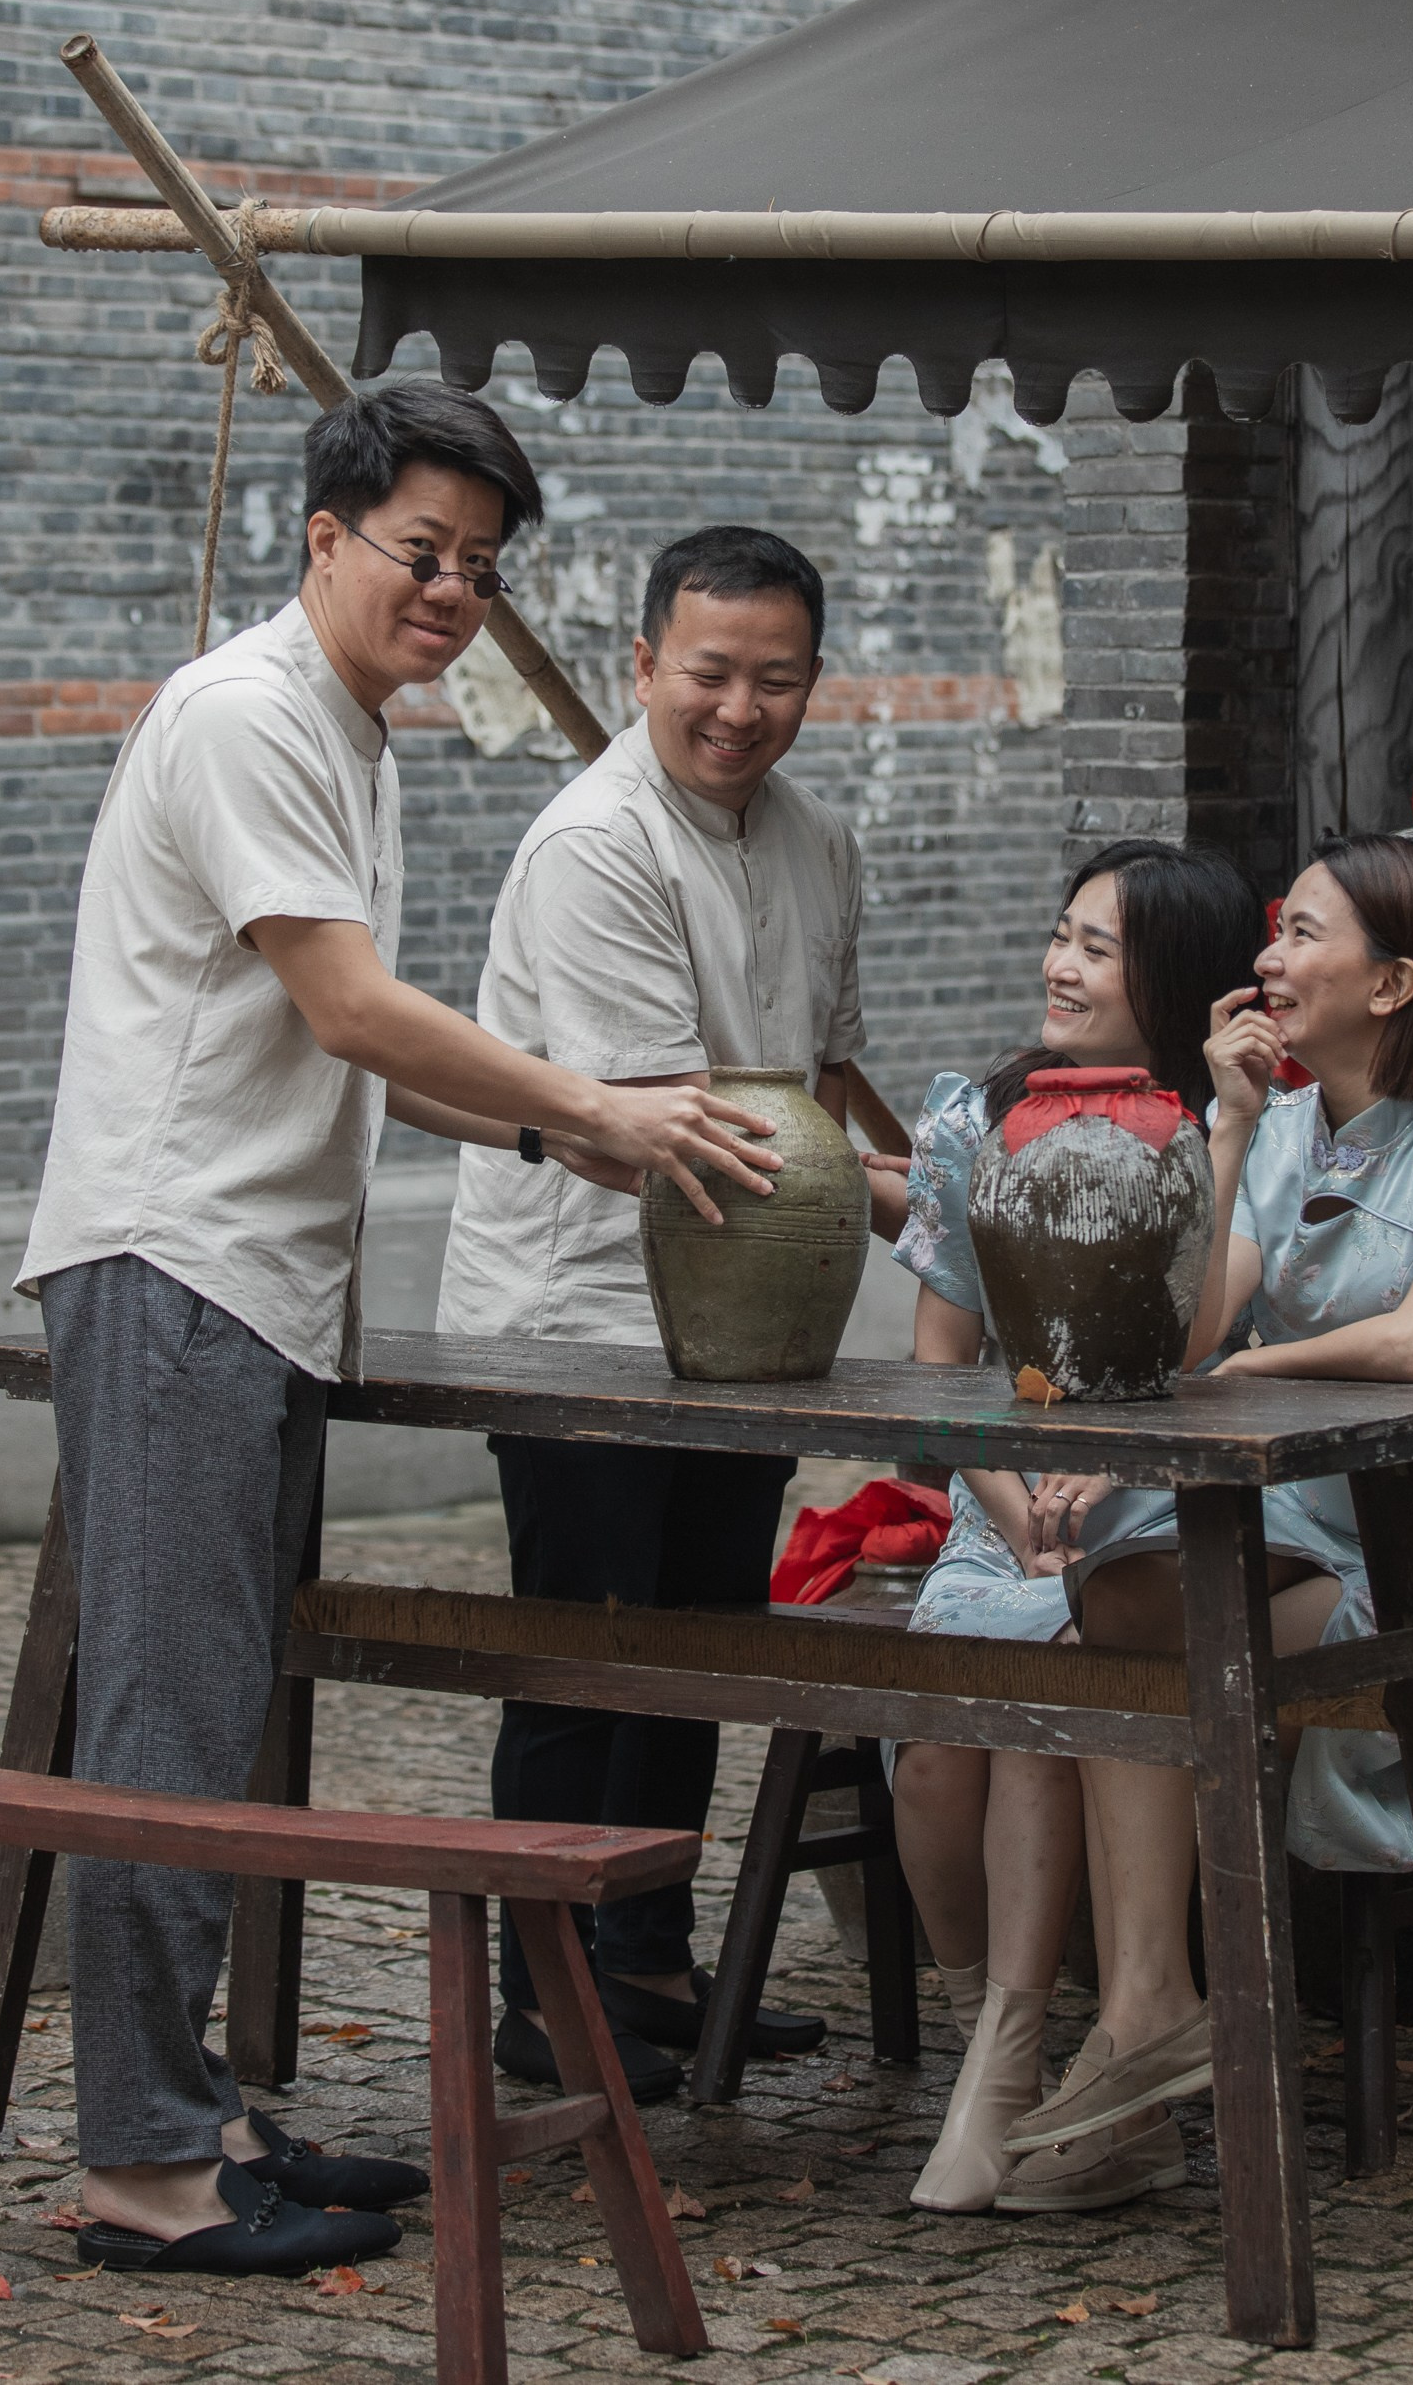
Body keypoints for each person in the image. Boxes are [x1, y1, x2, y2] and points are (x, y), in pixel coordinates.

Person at [14, 385, 781, 2280]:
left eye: (482, 568)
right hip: (175, 1267)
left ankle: (197, 2118)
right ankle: (144, 2168)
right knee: (167, 1725)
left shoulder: (345, 730)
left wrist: (548, 1129)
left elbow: (347, 1041)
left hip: (255, 1286)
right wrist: (597, 1106)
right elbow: (355, 1008)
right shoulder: (248, 715)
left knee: (213, 1712)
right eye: (421, 551)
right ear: (323, 535)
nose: (449, 591)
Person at [992, 832, 1413, 2187]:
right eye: (1277, 930)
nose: (1268, 959)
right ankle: (1152, 2008)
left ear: (1392, 983)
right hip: (1318, 1527)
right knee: (1120, 1604)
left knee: (1169, 1657)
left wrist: (1247, 1376)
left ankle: (1145, 2045)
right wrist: (1229, 1124)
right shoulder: (1288, 1127)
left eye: (1302, 934)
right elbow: (1188, 1331)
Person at [438, 525, 864, 2100]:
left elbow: (819, 1081)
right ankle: (544, 1996)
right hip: (584, 1312)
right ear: (642, 664)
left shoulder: (820, 843)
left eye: (776, 679)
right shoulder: (595, 844)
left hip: (753, 1321)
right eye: (710, 672)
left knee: (698, 1642)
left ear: (813, 682)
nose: (740, 709)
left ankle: (651, 1962)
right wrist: (859, 1194)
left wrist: (864, 1189)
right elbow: (657, 1123)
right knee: (583, 1649)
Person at [864, 842, 1264, 2215]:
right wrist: (1010, 1505)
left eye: (1099, 947)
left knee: (1045, 1717)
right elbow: (940, 1375)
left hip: (1148, 1509)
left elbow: (1197, 1349)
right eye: (1061, 935)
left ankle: (1007, 2069)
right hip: (1005, 1504)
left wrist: (1224, 1131)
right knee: (932, 1761)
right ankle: (1005, 2049)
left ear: (1175, 979)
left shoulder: (1221, 1128)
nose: (1061, 965)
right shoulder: (978, 1123)